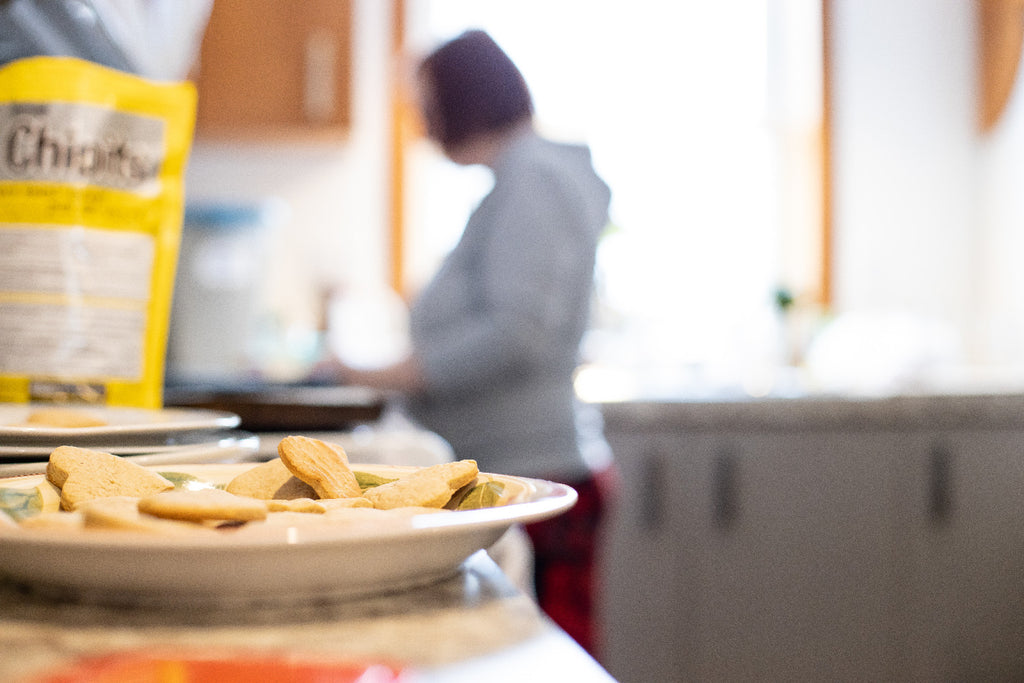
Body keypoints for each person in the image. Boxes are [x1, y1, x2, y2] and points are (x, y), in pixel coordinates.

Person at [315, 29, 615, 656]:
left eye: (425, 103)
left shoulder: (533, 178)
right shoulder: (517, 181)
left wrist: (384, 373)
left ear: (461, 98)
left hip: (537, 467)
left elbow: (518, 332)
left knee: (541, 660)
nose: (422, 123)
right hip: (528, 461)